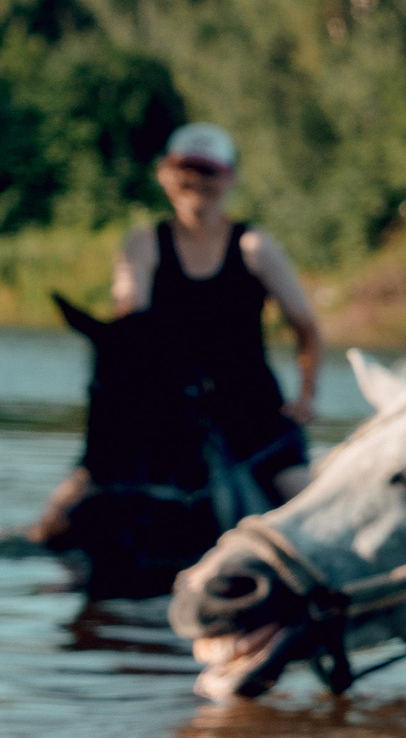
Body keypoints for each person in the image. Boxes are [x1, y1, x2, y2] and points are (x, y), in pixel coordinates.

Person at [19, 123, 322, 546]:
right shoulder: (143, 244)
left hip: (250, 407)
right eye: (186, 169)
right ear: (165, 174)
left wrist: (306, 396)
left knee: (305, 507)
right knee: (63, 510)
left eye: (208, 170)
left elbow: (305, 327)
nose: (197, 180)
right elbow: (132, 321)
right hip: (167, 406)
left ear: (229, 178)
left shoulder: (254, 247)